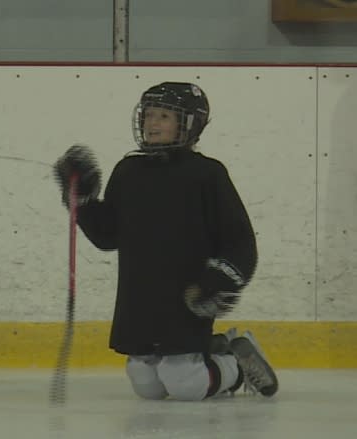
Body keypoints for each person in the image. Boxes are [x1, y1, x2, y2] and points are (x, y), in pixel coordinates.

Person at [53, 82, 278, 400]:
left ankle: (237, 364)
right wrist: (82, 200)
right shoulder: (128, 171)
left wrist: (215, 281)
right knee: (146, 384)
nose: (152, 124)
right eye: (148, 115)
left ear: (189, 124)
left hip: (187, 296)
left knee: (186, 384)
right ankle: (215, 350)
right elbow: (107, 236)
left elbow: (239, 241)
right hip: (138, 297)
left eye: (164, 116)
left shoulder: (208, 174)